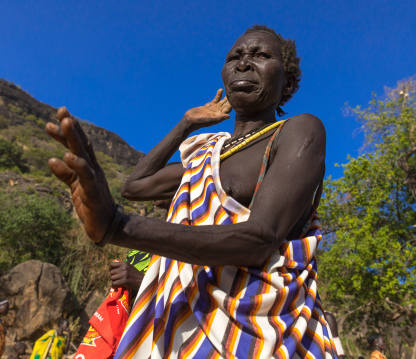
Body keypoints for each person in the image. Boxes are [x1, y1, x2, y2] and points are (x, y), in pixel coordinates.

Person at [46, 24, 337, 358]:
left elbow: (260, 239)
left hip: (260, 338)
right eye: (235, 57)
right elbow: (134, 186)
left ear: (288, 80)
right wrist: (186, 124)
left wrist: (119, 227)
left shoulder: (298, 131)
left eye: (261, 55)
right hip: (177, 332)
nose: (243, 64)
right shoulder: (209, 154)